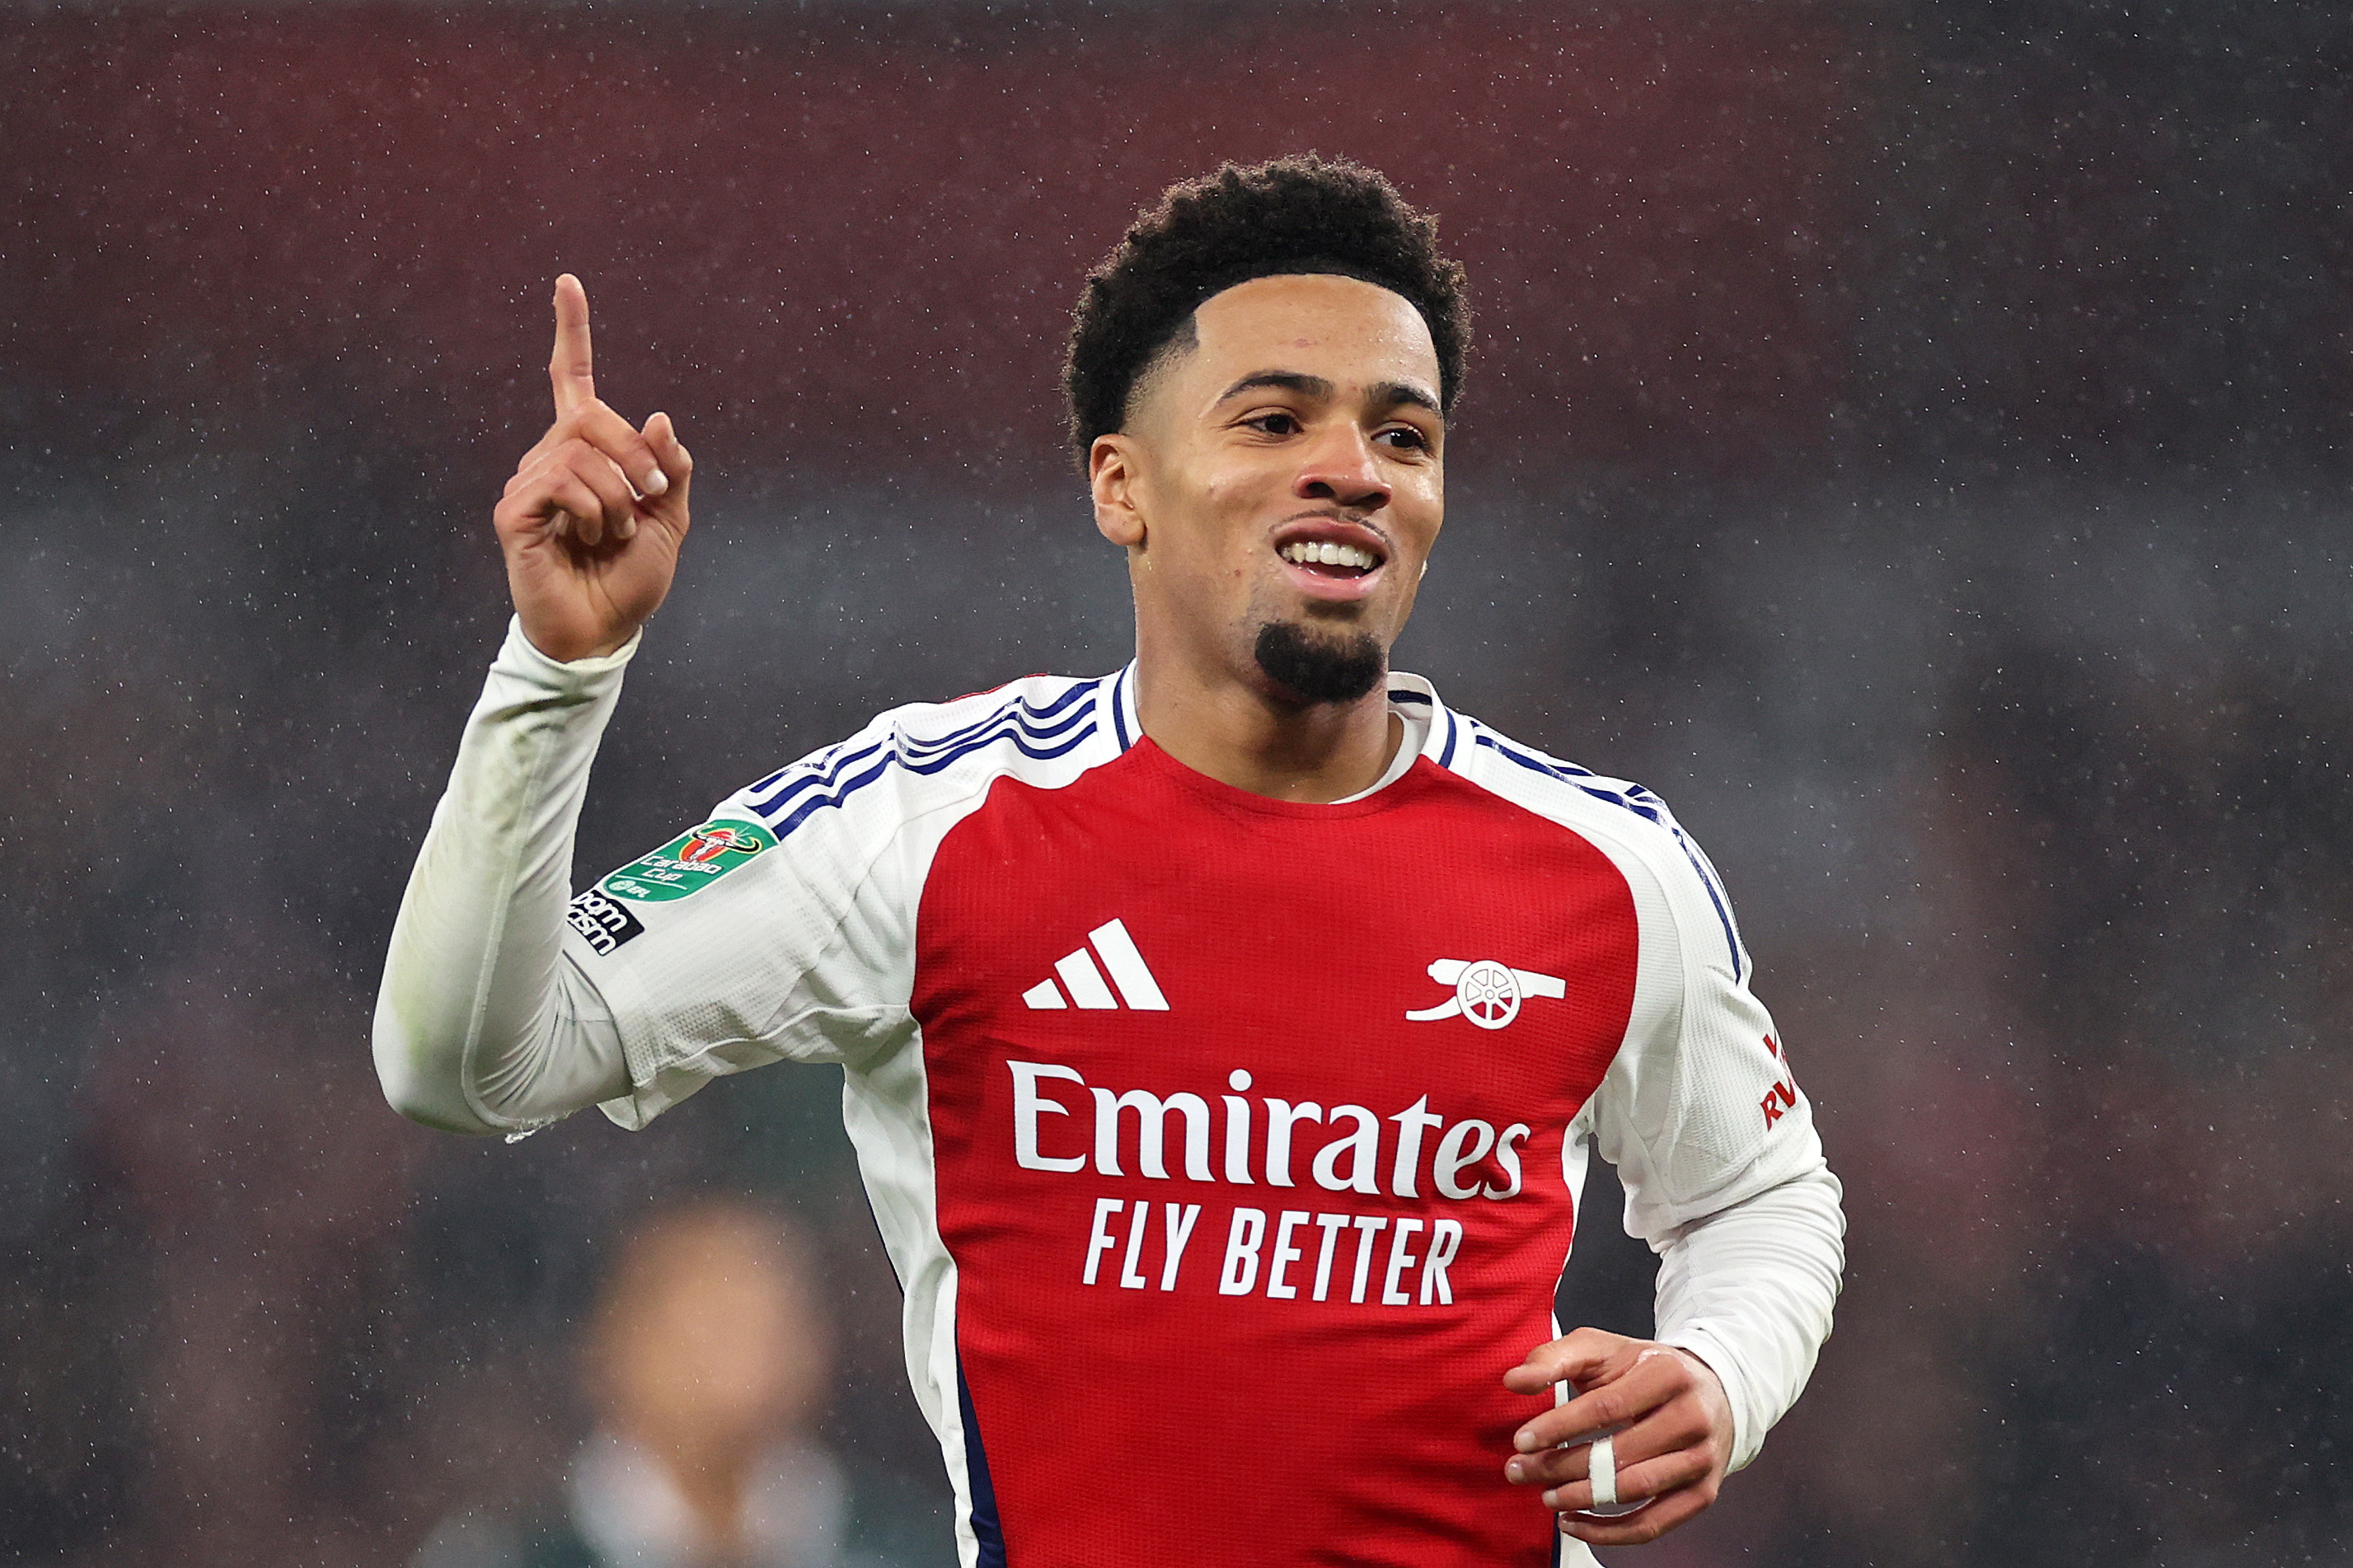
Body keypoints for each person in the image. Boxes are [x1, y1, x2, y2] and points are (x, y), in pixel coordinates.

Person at [376, 156, 1845, 1566]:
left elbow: (1763, 1195)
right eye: (1274, 421)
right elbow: (468, 1064)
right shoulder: (926, 824)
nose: (1353, 470)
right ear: (1121, 487)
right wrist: (558, 674)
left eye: (1404, 435)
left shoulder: (1605, 869)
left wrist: (1718, 1368)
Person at [416, 1197, 955, 1568]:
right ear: (615, 1343)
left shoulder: (907, 1543)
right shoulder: (506, 1551)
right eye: (714, 1322)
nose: (750, 1355)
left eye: (775, 1322)